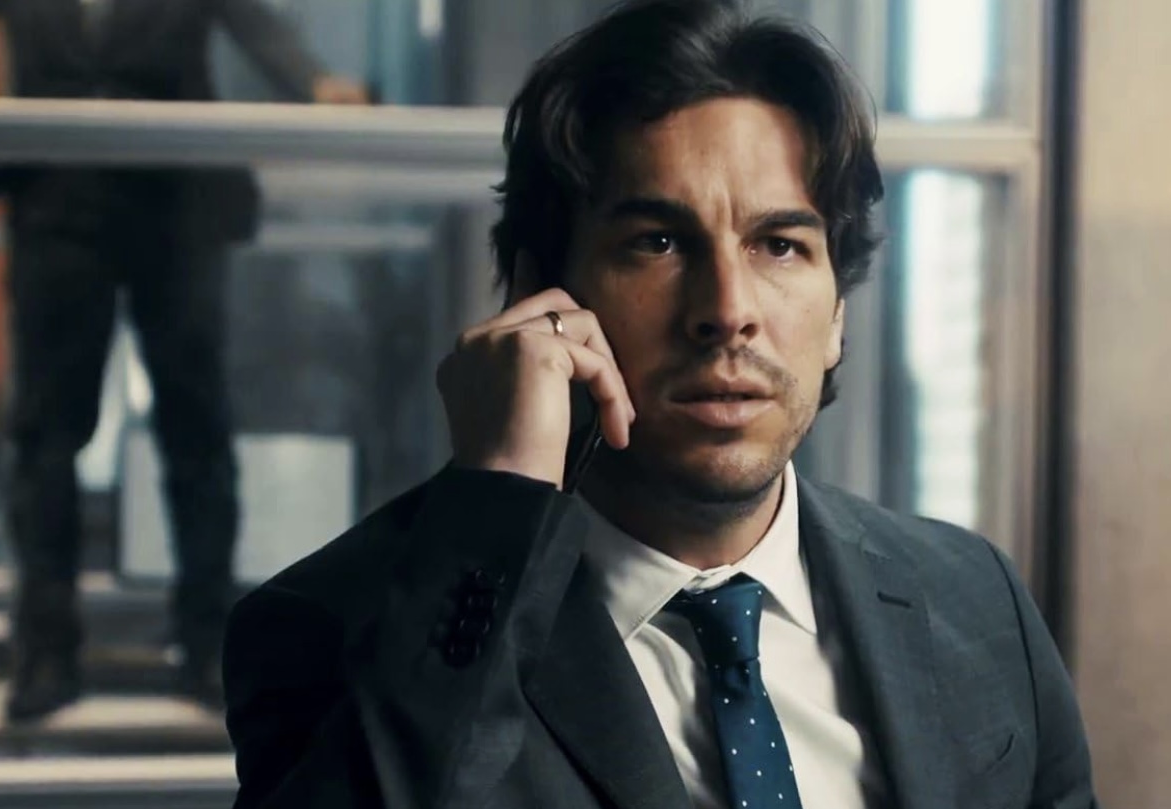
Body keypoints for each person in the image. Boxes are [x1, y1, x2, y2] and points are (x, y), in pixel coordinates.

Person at [222, 0, 1100, 807]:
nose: (727, 310)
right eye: (659, 242)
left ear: (837, 311)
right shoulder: (331, 627)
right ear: (539, 293)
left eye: (780, 245)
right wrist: (499, 498)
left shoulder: (976, 599)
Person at [0, 0, 367, 723]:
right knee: (45, 439)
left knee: (197, 431)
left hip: (176, 203)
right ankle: (46, 650)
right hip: (58, 208)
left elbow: (257, 23)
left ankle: (208, 645)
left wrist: (316, 82)